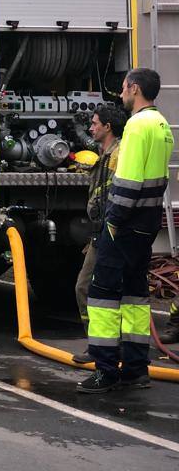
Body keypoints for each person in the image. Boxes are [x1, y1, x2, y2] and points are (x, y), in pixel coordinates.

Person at [79, 67, 173, 393]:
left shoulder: (136, 125)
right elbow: (157, 181)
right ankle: (135, 369)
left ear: (134, 88)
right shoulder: (163, 125)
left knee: (102, 296)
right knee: (135, 298)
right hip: (147, 225)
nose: (121, 94)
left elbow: (129, 182)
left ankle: (105, 370)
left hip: (125, 225)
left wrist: (113, 221)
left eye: (123, 88)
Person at [72, 104, 125, 364]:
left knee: (87, 287)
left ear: (108, 127)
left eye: (95, 124)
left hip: (110, 231)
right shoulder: (104, 153)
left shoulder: (117, 155)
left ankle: (101, 345)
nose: (91, 128)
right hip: (101, 231)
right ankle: (105, 344)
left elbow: (114, 194)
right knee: (94, 288)